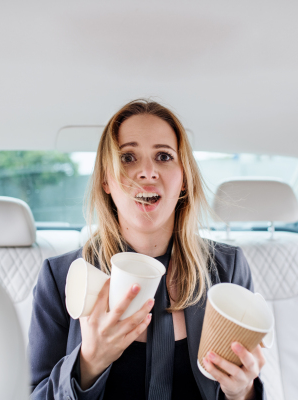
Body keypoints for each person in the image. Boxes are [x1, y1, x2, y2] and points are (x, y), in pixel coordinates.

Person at [29, 99, 266, 400]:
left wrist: (242, 392)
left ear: (183, 180)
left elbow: (246, 385)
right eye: (128, 157)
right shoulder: (59, 277)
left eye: (164, 156)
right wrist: (88, 364)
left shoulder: (227, 269)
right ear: (105, 178)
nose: (147, 172)